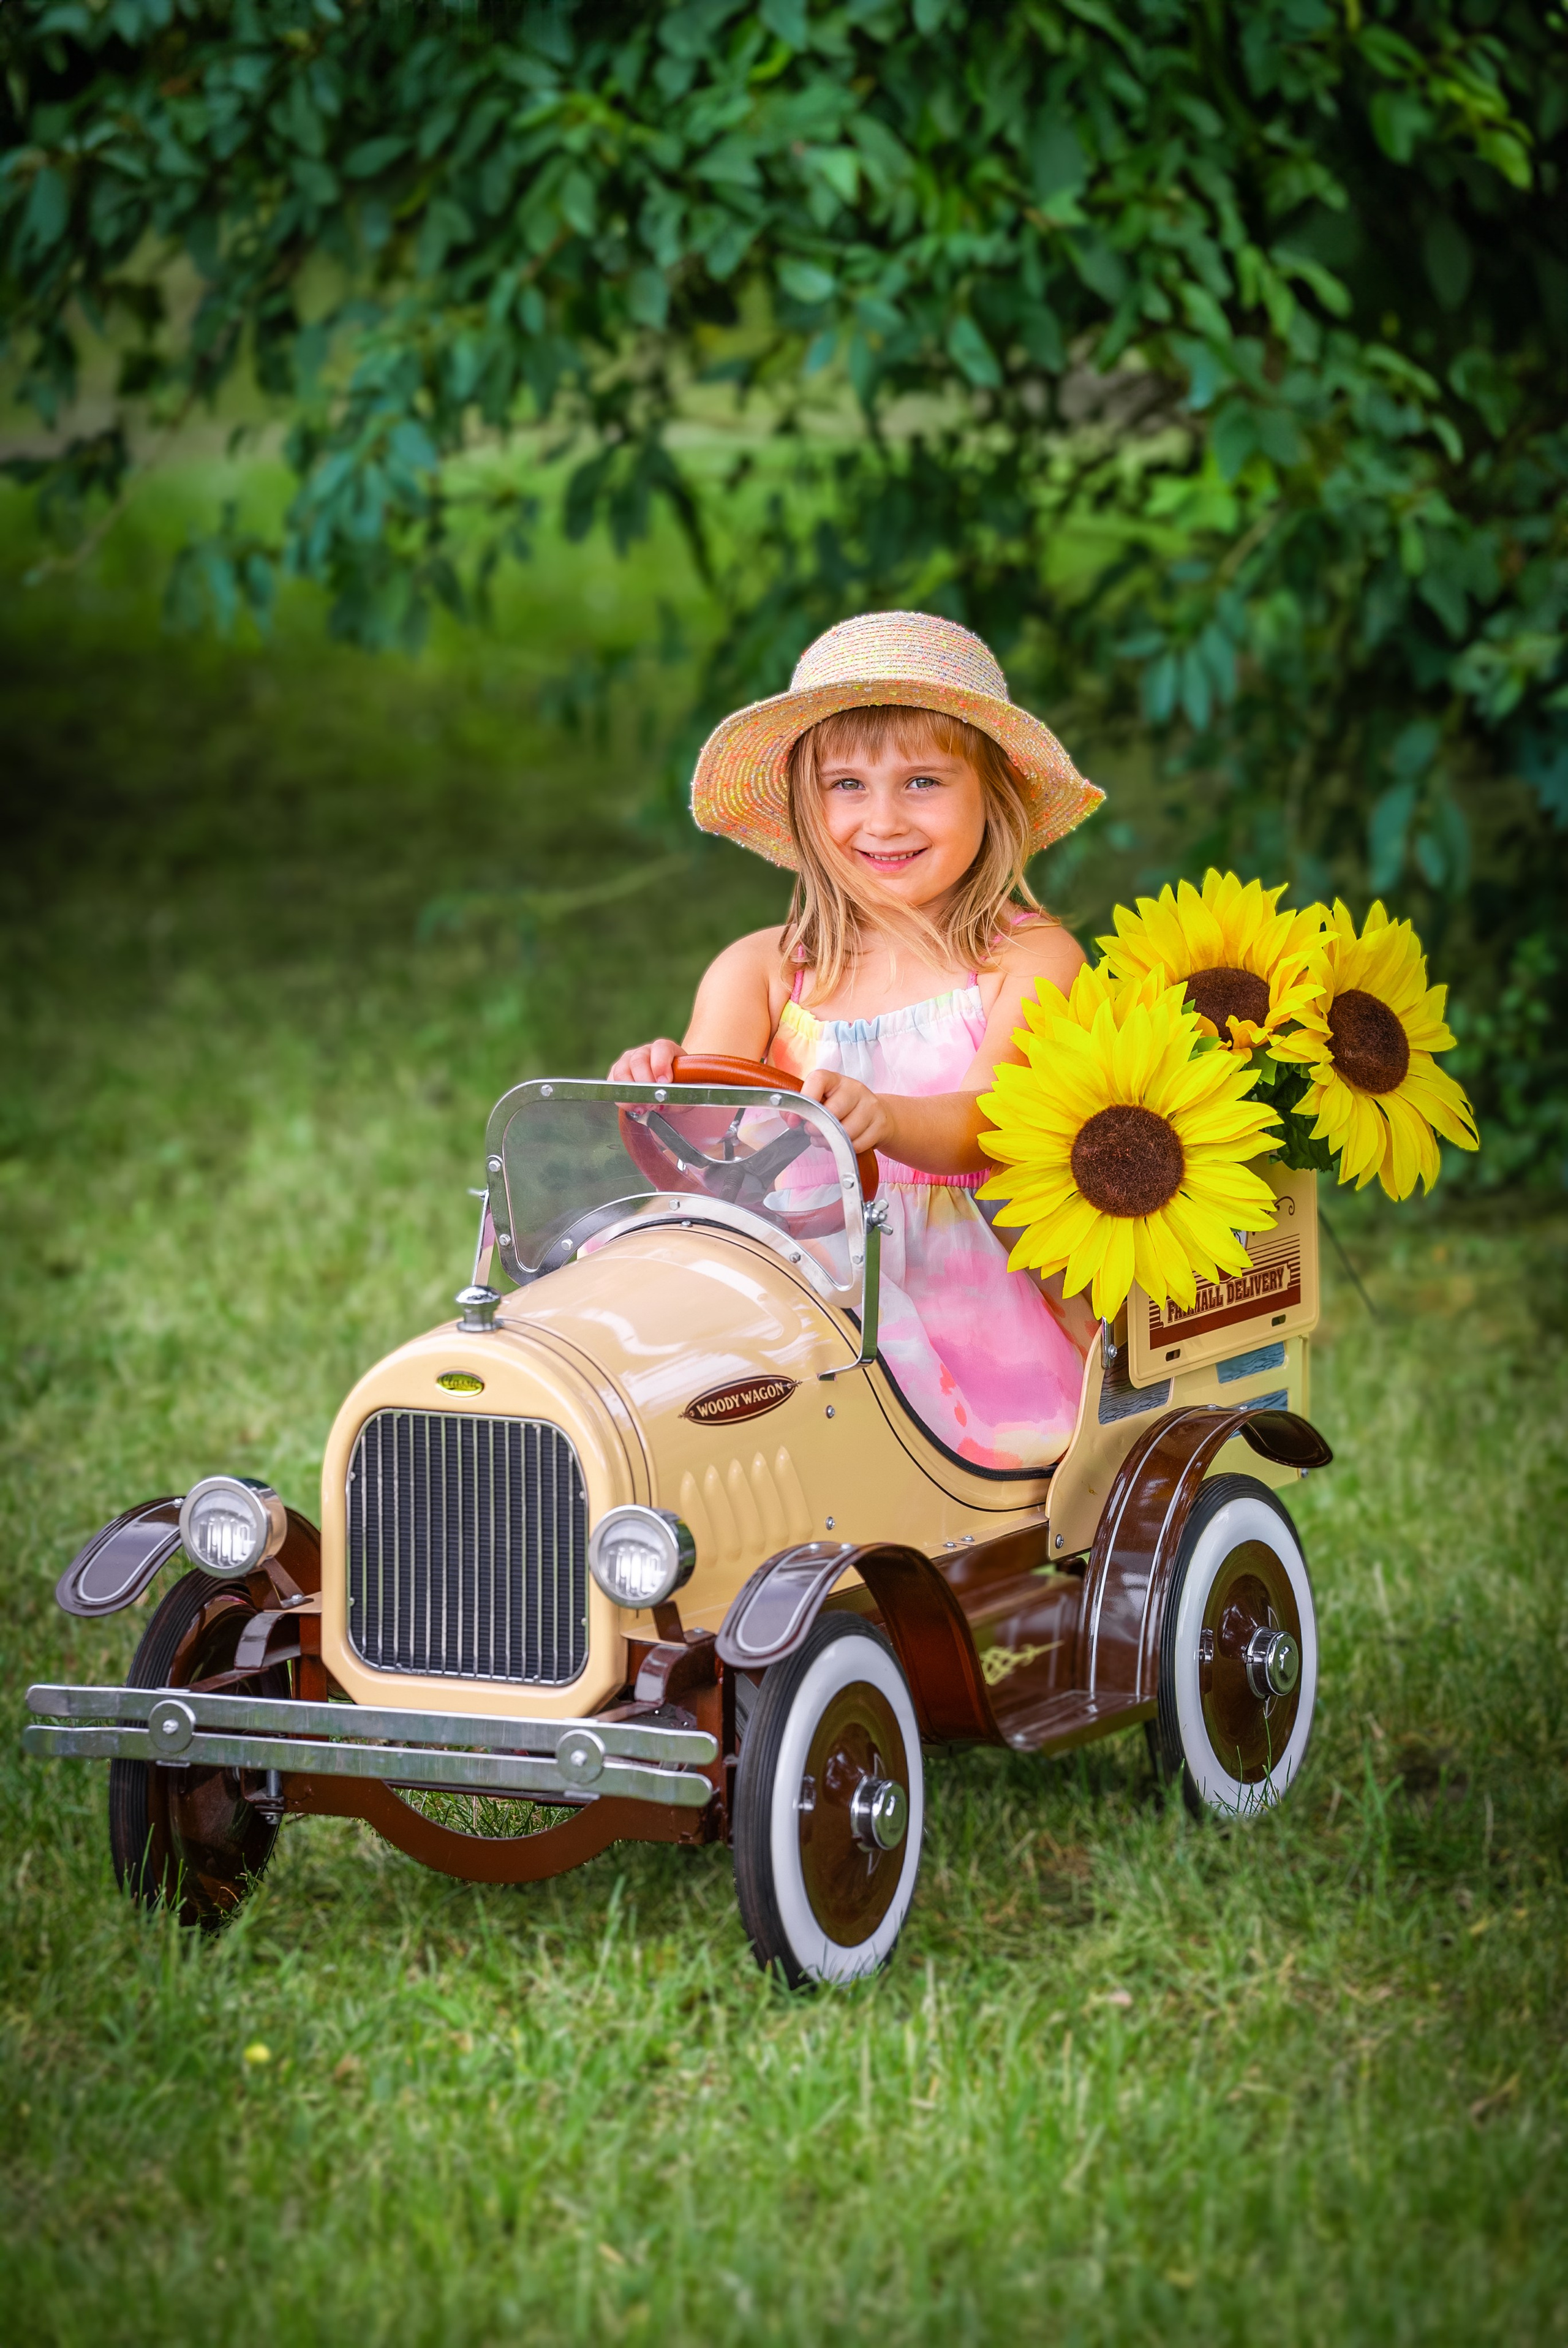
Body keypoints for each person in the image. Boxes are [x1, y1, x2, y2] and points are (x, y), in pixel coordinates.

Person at [610, 611, 1106, 1472]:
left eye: (923, 782)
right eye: (847, 785)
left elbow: (991, 1123)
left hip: (954, 1290)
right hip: (791, 1284)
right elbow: (709, 1136)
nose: (883, 819)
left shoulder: (1026, 958)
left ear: (994, 796)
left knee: (894, 1402)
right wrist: (663, 1089)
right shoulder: (762, 970)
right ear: (806, 804)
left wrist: (881, 1116)